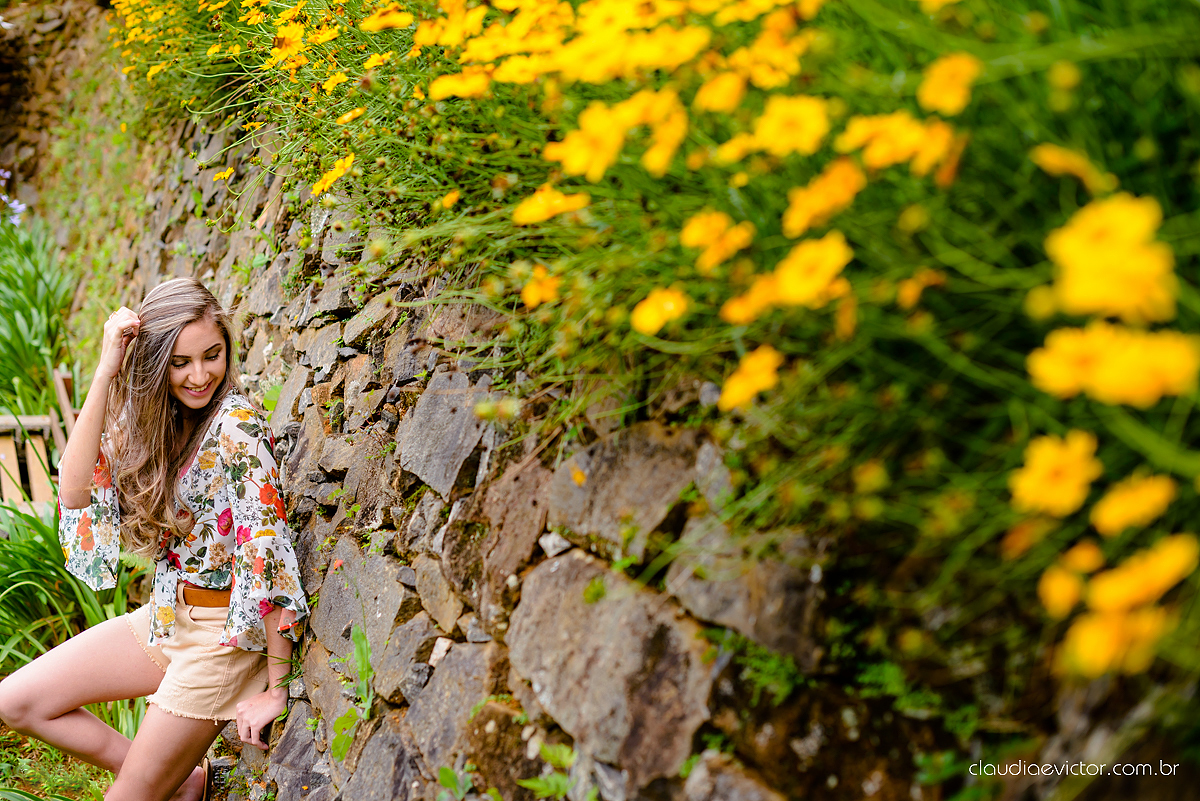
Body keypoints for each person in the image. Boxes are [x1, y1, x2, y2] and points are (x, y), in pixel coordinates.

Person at [0, 278, 309, 801]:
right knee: (16, 701)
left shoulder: (235, 426)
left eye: (212, 355)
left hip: (225, 639)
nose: (200, 375)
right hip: (167, 617)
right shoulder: (151, 426)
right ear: (155, 364)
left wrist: (277, 689)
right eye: (180, 362)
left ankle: (151, 781)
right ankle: (181, 781)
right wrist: (105, 370)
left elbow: (268, 552)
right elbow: (76, 492)